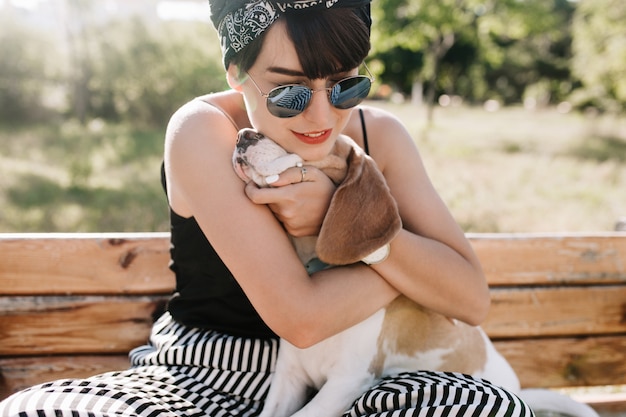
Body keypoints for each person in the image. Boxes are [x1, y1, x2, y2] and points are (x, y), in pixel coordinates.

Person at [0, 1, 533, 416]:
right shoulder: (203, 130)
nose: (323, 115)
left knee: (486, 406)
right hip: (207, 374)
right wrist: (400, 254)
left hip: (364, 377)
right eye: (289, 92)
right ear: (236, 72)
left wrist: (349, 224)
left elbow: (470, 297)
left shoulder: (382, 135)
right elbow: (302, 319)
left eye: (345, 84)